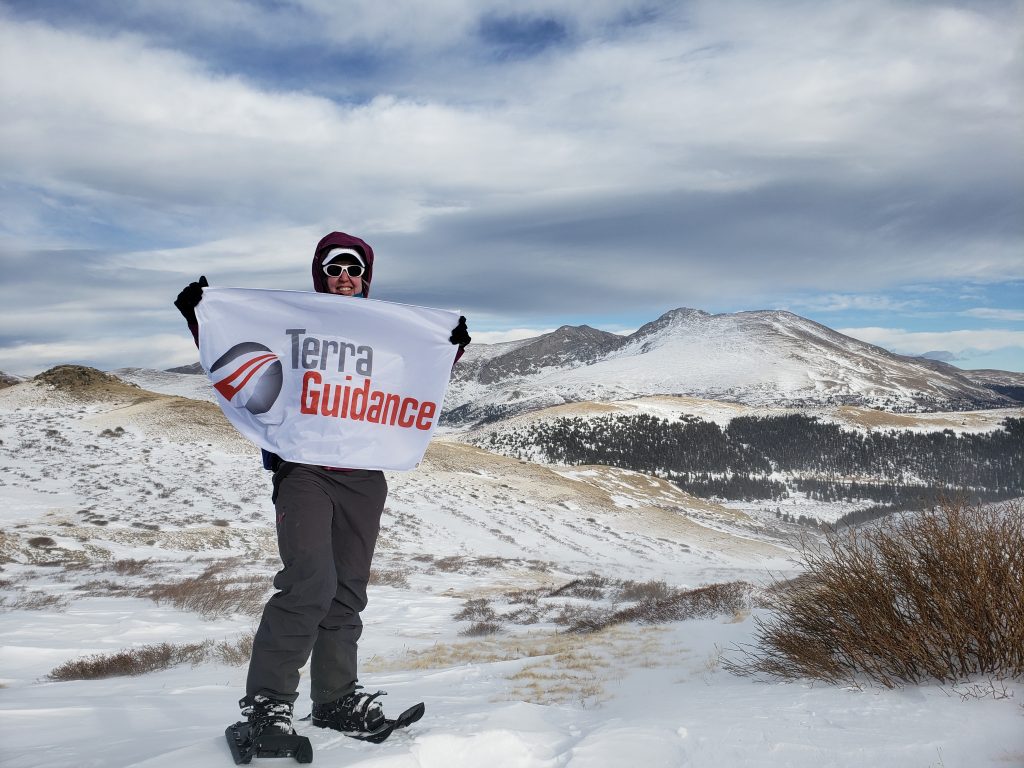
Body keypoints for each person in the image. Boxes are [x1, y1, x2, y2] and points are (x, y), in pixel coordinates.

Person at [174, 231, 470, 741]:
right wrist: (200, 317)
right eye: (335, 269)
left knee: (348, 591)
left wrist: (450, 348)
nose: (344, 278)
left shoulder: (384, 333)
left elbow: (416, 372)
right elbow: (242, 348)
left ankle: (335, 699)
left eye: (353, 270)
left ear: (366, 278)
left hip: (364, 475)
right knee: (309, 583)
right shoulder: (296, 324)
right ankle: (267, 706)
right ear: (321, 275)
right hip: (303, 471)